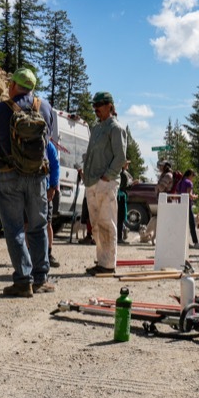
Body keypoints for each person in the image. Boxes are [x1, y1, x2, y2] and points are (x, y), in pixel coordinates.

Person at [0, 67, 54, 297]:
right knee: (38, 225)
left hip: (9, 173)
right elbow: (48, 141)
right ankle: (41, 278)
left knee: (15, 227)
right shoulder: (45, 107)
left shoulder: (0, 108)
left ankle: (23, 280)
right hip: (38, 176)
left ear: (14, 85)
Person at [82, 91, 128, 275]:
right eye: (94, 106)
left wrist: (106, 177)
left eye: (99, 105)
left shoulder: (116, 128)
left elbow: (120, 157)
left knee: (107, 223)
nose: (96, 109)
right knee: (96, 225)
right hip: (92, 182)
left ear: (110, 105)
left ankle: (108, 265)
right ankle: (102, 260)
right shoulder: (96, 128)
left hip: (105, 183)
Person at [45, 139, 61, 267]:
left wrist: (52, 186)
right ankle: (28, 254)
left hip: (45, 190)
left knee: (47, 223)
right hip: (30, 190)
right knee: (27, 224)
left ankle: (48, 253)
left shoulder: (48, 145)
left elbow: (55, 166)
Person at [176, 169, 199, 247]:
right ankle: (195, 242)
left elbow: (177, 193)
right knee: (192, 224)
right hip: (187, 205)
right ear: (190, 175)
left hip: (180, 205)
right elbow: (189, 194)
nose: (193, 178)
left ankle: (183, 242)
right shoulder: (189, 183)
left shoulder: (179, 182)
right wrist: (195, 196)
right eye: (193, 176)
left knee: (183, 225)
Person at [117, 161, 132, 244]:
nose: (128, 165)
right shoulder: (123, 174)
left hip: (118, 197)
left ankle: (118, 237)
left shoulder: (118, 173)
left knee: (119, 218)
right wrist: (133, 184)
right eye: (127, 164)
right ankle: (119, 238)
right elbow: (124, 187)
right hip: (121, 197)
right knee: (120, 218)